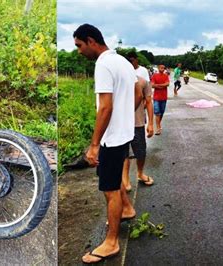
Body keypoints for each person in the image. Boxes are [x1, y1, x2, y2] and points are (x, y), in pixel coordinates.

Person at [73, 24, 142, 264]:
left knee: (109, 189)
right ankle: (127, 209)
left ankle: (111, 242)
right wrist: (126, 117)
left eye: (79, 46)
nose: (79, 51)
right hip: (123, 133)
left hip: (111, 139)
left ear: (91, 41)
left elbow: (105, 106)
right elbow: (137, 94)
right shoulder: (123, 61)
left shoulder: (102, 64)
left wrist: (94, 145)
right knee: (112, 179)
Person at [122, 51, 155, 192]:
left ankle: (140, 173)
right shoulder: (119, 82)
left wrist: (151, 124)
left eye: (132, 62)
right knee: (124, 153)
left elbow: (148, 102)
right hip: (122, 123)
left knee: (140, 152)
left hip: (138, 122)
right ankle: (125, 178)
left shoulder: (143, 82)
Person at [151, 64, 170, 135]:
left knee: (162, 112)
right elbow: (152, 85)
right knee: (157, 112)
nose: (162, 69)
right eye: (161, 68)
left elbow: (167, 84)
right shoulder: (155, 75)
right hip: (156, 97)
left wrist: (157, 85)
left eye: (163, 68)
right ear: (158, 68)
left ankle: (159, 124)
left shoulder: (165, 76)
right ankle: (158, 128)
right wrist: (162, 85)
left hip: (164, 97)